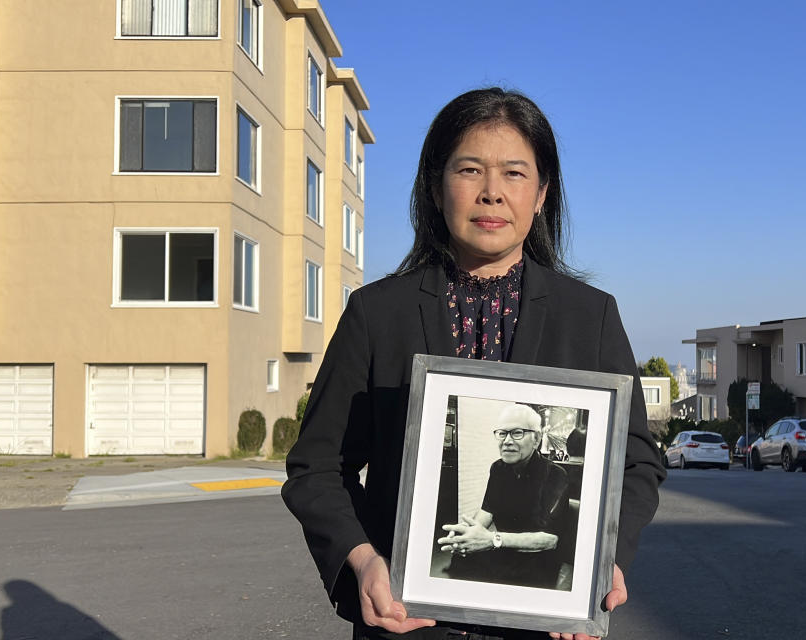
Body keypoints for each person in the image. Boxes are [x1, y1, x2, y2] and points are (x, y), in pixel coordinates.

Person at [282, 87, 666, 640]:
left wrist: (603, 560)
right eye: (469, 170)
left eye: (514, 173)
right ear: (436, 188)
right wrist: (364, 560)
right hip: (408, 624)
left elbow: (637, 463)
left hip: (545, 624)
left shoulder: (591, 316)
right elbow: (317, 468)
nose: (492, 194)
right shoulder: (376, 313)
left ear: (541, 195)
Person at [437, 403, 571, 590]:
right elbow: (487, 511)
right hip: (502, 549)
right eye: (502, 433)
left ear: (536, 439)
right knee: (460, 560)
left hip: (537, 558)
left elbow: (550, 540)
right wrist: (467, 533)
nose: (507, 441)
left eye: (517, 433)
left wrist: (492, 540)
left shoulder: (555, 474)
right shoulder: (498, 468)